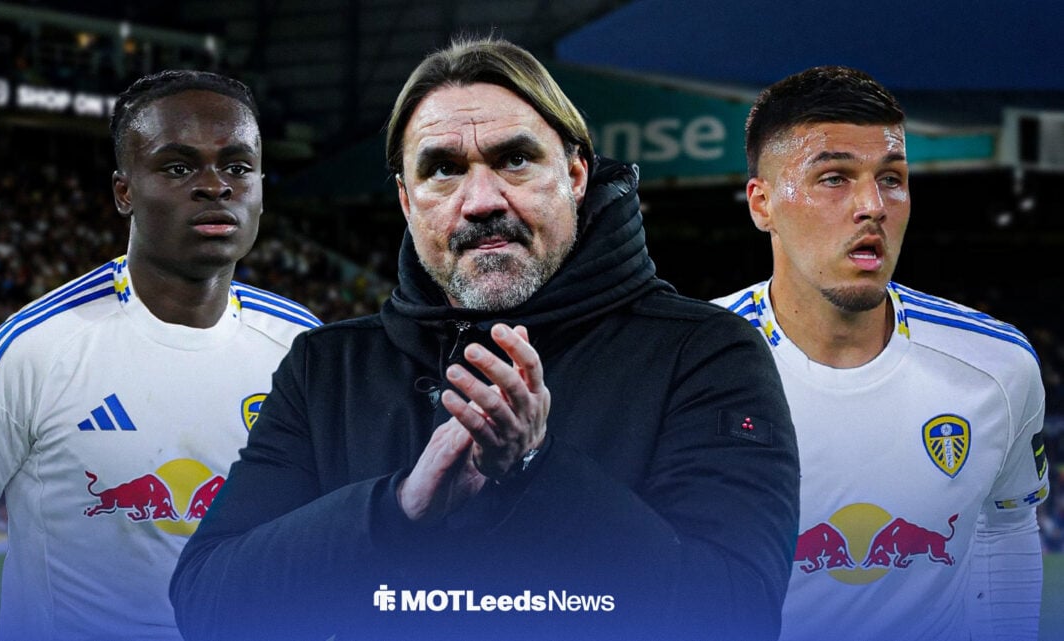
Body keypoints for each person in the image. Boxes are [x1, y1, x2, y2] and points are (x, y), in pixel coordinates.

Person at [171, 36, 799, 641]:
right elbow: (209, 603)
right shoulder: (326, 368)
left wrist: (539, 471)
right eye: (443, 170)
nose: (480, 201)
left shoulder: (707, 353)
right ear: (406, 200)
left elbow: (734, 614)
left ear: (576, 174)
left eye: (515, 160)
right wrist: (393, 510)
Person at [0, 70, 321, 641]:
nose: (216, 186)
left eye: (238, 167)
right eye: (179, 167)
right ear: (124, 192)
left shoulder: (302, 347)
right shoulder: (37, 350)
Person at [712, 66, 1049, 641]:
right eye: (834, 178)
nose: (873, 205)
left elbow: (1007, 521)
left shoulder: (996, 366)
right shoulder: (689, 361)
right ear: (762, 204)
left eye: (891, 178)